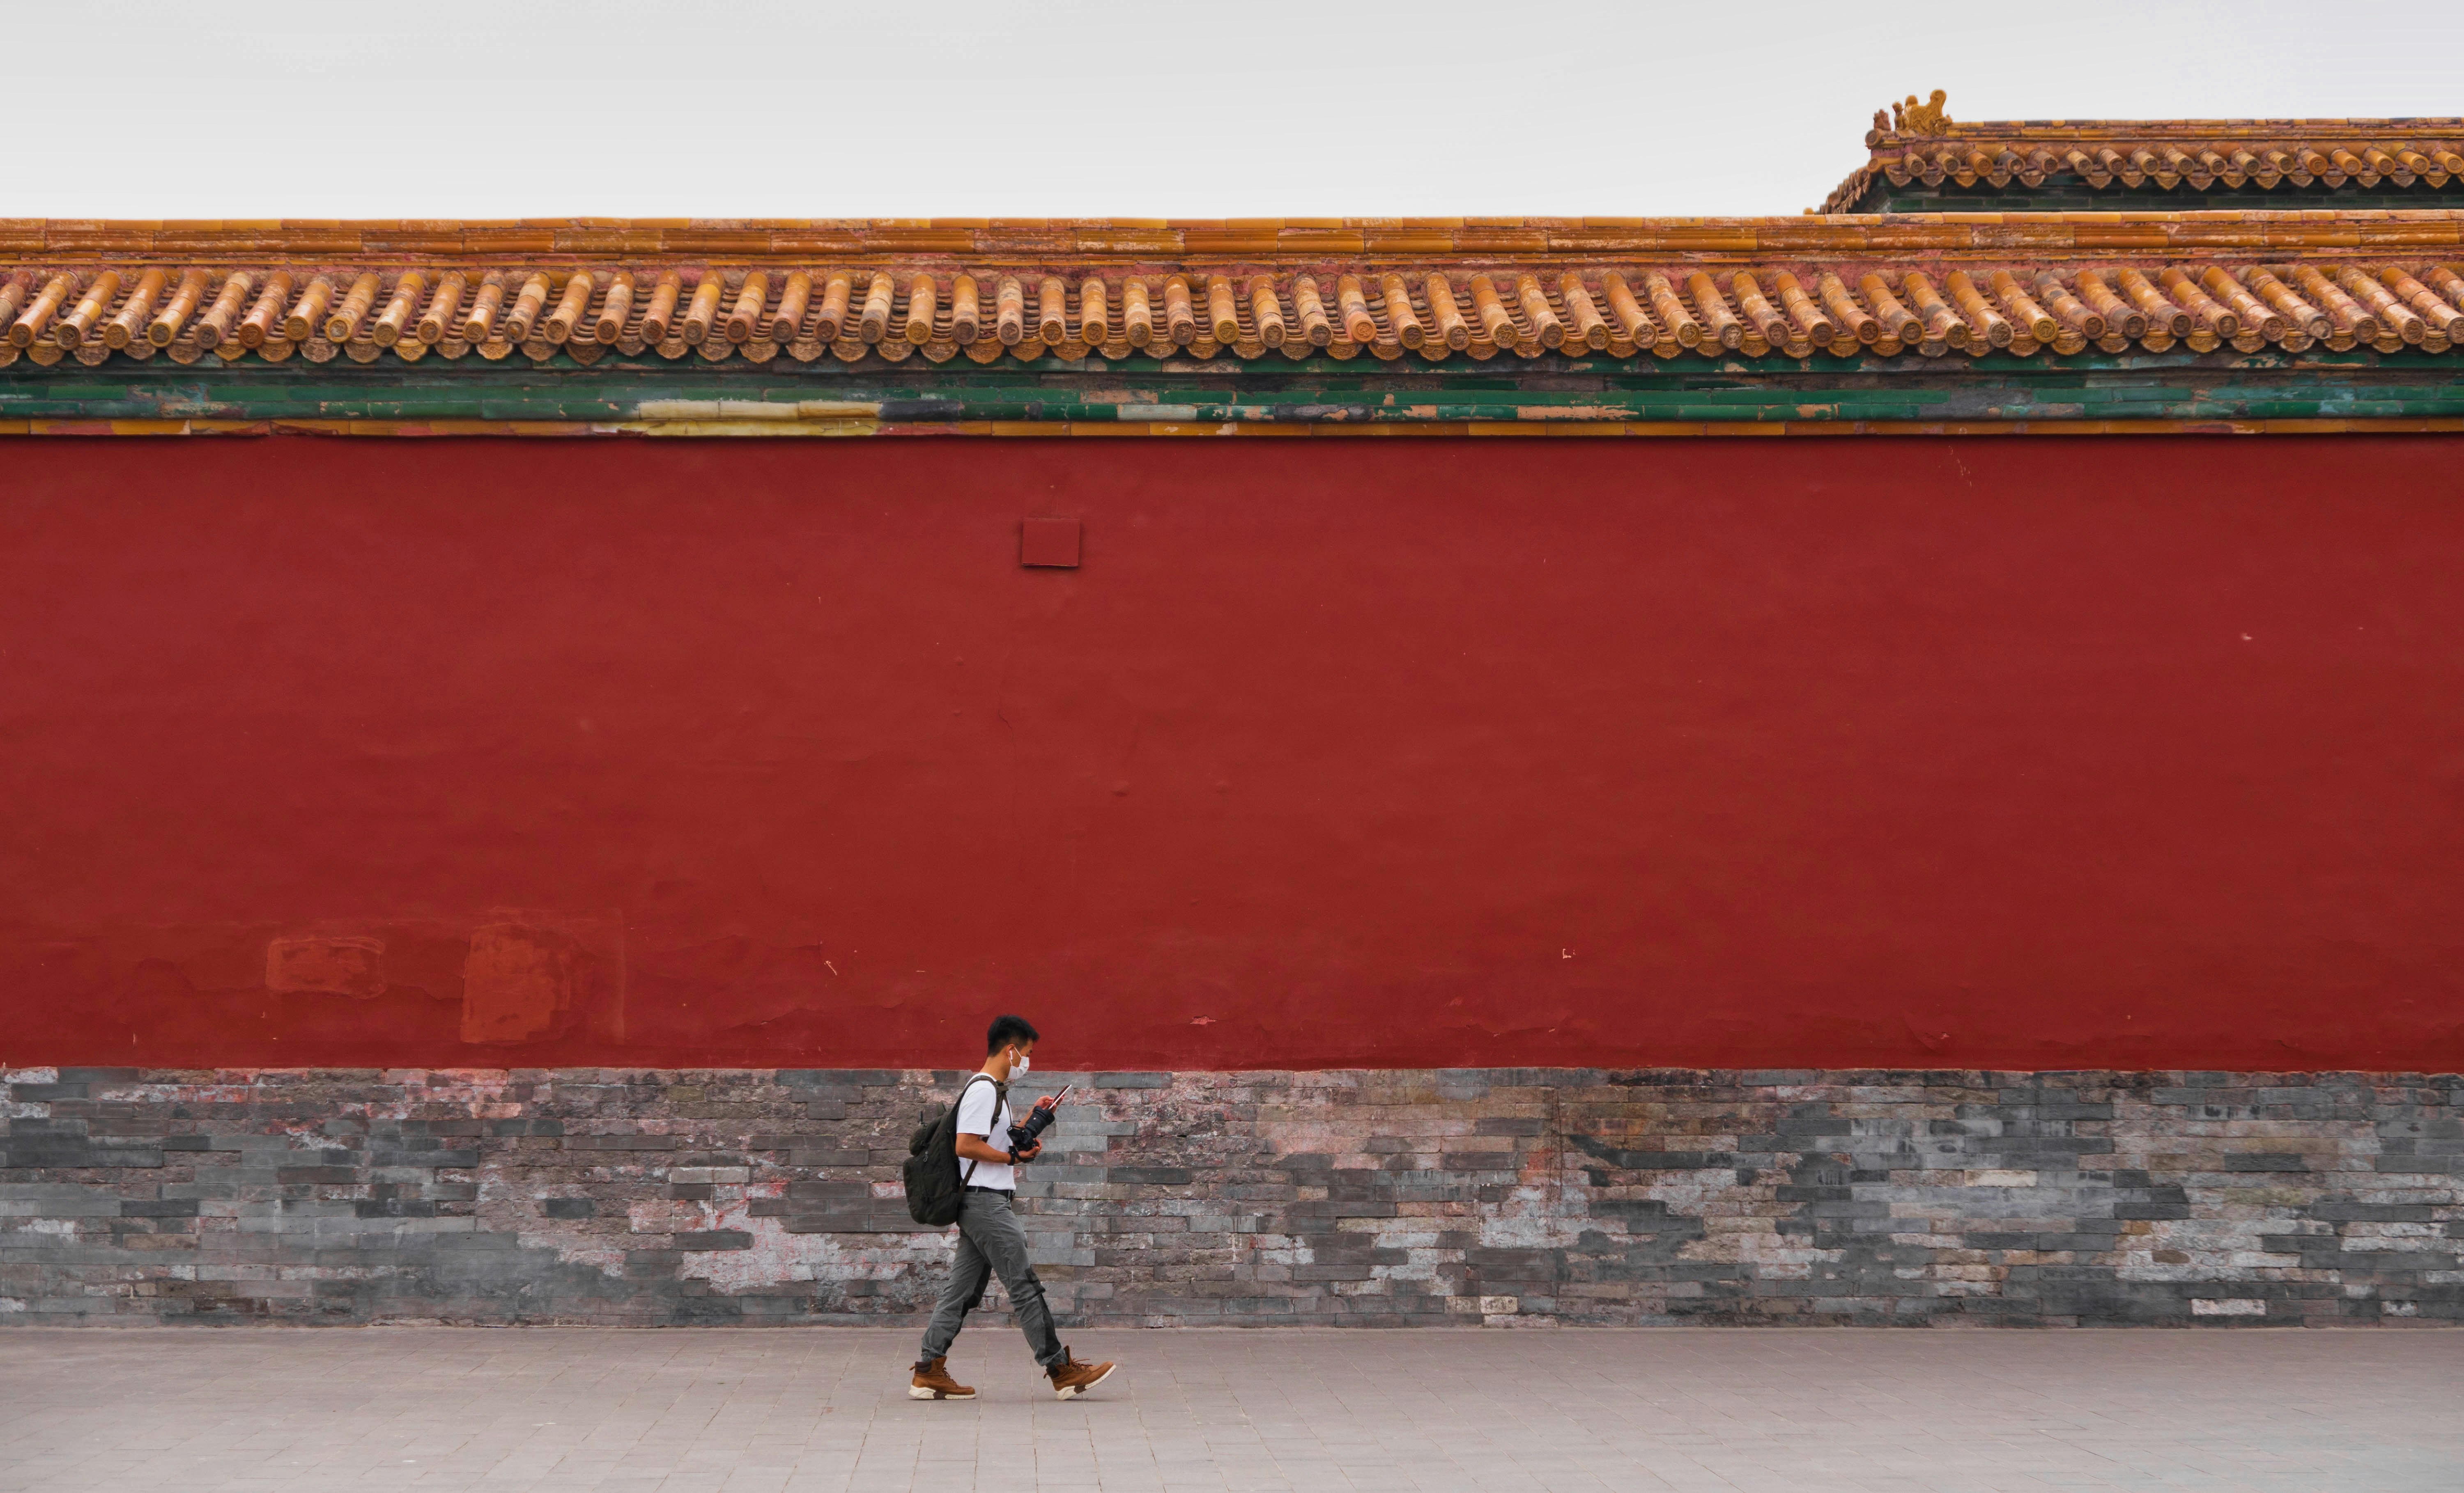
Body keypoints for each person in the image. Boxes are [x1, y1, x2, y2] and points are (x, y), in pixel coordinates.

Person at [910, 1014, 1117, 1401]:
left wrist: (1030, 1121)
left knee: (961, 1291)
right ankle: (1060, 1369)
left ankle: (928, 1370)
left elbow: (998, 1141)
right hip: (986, 1204)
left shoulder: (994, 1092)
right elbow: (966, 1146)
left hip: (982, 1203)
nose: (1028, 1062)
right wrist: (1011, 1162)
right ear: (1011, 1050)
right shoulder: (984, 1090)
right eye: (1028, 1054)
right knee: (1024, 1286)